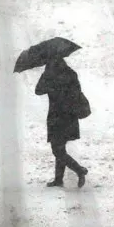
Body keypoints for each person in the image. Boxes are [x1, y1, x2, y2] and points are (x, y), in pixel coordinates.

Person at [35, 57, 89, 188]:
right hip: (69, 116)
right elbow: (77, 92)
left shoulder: (50, 77)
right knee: (60, 148)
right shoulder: (71, 74)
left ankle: (79, 170)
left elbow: (38, 90)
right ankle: (58, 179)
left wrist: (46, 77)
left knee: (57, 150)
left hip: (56, 117)